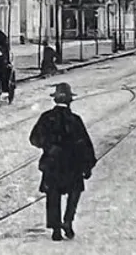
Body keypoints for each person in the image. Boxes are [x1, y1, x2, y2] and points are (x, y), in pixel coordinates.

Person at [29, 82, 97, 241]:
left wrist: (48, 146)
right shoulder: (75, 120)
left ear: (55, 100)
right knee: (75, 192)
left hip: (52, 163)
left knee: (53, 195)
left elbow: (34, 139)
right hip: (72, 165)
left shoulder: (46, 118)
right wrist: (88, 165)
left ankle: (56, 228)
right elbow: (85, 144)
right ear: (70, 101)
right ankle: (68, 220)